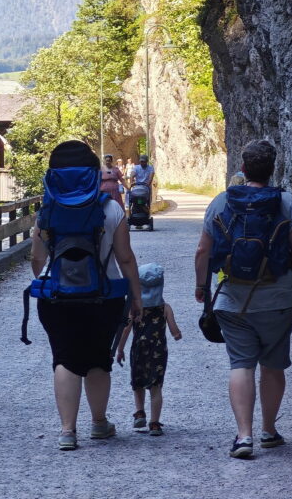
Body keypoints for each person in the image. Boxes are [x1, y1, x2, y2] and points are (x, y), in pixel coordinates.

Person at [194, 139, 292, 459]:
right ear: (273, 169)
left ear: (242, 168)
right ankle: (269, 431)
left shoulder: (219, 202)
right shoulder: (288, 203)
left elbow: (202, 250)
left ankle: (244, 437)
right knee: (271, 365)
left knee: (240, 364)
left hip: (232, 300)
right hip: (278, 300)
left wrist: (201, 287)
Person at [31, 140, 143, 451]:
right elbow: (126, 259)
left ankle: (68, 431)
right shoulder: (111, 209)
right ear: (93, 174)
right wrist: (136, 297)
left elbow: (37, 262)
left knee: (65, 358)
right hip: (104, 296)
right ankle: (98, 423)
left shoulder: (47, 212)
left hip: (57, 298)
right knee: (98, 358)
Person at [115, 263, 181, 435]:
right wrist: (176, 334)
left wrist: (120, 349)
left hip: (138, 350)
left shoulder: (136, 309)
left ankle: (139, 413)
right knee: (156, 386)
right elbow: (174, 329)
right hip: (158, 351)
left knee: (137, 383)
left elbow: (126, 329)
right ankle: (154, 423)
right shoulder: (165, 308)